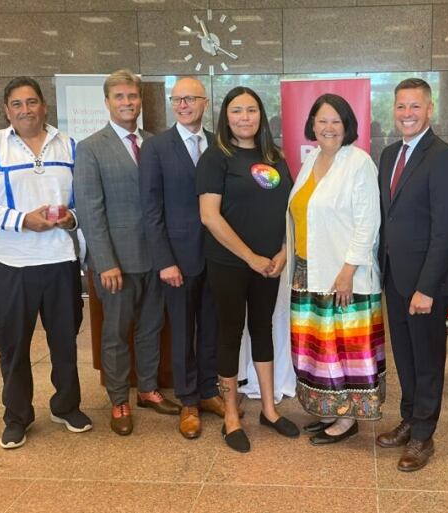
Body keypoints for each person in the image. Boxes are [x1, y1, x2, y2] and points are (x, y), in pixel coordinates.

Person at [0, 76, 91, 449]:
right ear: (6, 110)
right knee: (13, 345)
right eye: (17, 104)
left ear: (44, 106)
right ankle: (17, 416)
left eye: (32, 102)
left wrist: (72, 218)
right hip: (10, 262)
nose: (26, 110)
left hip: (60, 260)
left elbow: (86, 197)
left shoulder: (70, 145)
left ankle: (67, 406)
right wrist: (21, 220)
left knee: (64, 340)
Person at [74, 69, 180, 436]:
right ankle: (119, 398)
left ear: (140, 101)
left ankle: (148, 389)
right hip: (116, 263)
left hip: (157, 259)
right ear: (107, 103)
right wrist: (105, 262)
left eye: (132, 97)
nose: (127, 103)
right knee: (116, 333)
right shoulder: (90, 148)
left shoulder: (155, 142)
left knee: (152, 327)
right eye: (119, 97)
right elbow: (90, 209)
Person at [197, 86, 300, 453]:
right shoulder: (216, 158)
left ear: (261, 115)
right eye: (237, 110)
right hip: (228, 263)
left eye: (252, 110)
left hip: (270, 265)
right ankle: (230, 416)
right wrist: (250, 257)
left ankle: (269, 410)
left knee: (262, 329)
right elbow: (209, 217)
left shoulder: (274, 156)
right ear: (226, 116)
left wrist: (284, 252)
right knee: (230, 333)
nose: (245, 117)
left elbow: (290, 210)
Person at [376, 79, 448, 470]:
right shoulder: (388, 154)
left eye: (415, 107)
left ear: (429, 110)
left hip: (426, 283)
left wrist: (427, 288)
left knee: (427, 359)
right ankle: (409, 419)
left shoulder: (444, 157)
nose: (407, 114)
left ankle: (423, 436)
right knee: (407, 357)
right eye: (401, 107)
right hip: (395, 276)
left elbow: (447, 230)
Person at [287, 94, 385, 446]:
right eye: (321, 120)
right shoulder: (310, 160)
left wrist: (347, 271)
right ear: (312, 124)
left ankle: (348, 419)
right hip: (306, 272)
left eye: (335, 121)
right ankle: (328, 410)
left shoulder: (358, 162)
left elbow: (368, 222)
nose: (328, 128)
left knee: (344, 350)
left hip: (343, 275)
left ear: (347, 126)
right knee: (318, 350)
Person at [139, 77, 232, 440]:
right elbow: (151, 209)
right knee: (182, 331)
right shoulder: (156, 147)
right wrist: (164, 260)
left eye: (190, 99)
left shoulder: (219, 145)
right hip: (177, 259)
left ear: (205, 102)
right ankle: (189, 400)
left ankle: (209, 391)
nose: (183, 105)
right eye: (177, 100)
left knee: (212, 327)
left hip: (218, 257)